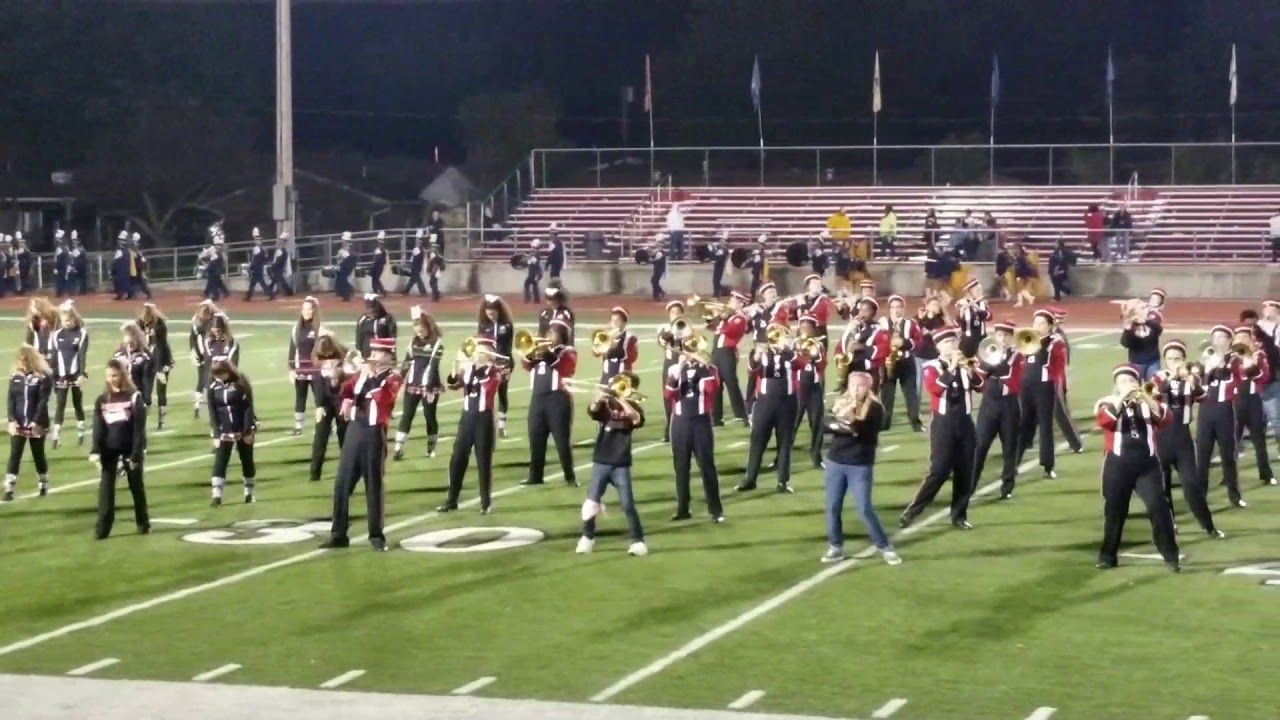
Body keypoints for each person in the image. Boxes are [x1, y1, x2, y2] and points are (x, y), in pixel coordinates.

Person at [1094, 364, 1181, 571]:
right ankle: (1108, 555)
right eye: (1122, 381)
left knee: (1158, 507)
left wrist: (1147, 398)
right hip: (1117, 465)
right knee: (1115, 511)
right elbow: (1104, 421)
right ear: (1116, 385)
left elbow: (1166, 420)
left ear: (1138, 383)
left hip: (1147, 465)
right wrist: (1122, 398)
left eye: (1131, 381)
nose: (1127, 384)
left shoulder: (1149, 402)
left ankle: (1171, 555)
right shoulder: (1107, 401)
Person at [320, 337, 402, 550]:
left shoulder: (393, 378)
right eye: (372, 352)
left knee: (373, 486)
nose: (372, 356)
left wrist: (371, 376)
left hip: (374, 434)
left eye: (377, 352)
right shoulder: (361, 375)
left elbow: (382, 398)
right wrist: (335, 380)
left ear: (389, 355)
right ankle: (338, 534)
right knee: (342, 484)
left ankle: (376, 536)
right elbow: (345, 390)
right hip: (354, 432)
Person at [900, 327, 979, 530]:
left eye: (953, 341)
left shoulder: (965, 364)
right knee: (939, 471)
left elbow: (981, 387)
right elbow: (935, 388)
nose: (951, 346)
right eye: (946, 343)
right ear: (938, 347)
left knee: (965, 471)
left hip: (965, 422)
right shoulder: (931, 366)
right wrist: (952, 367)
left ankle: (959, 515)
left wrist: (972, 371)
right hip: (944, 424)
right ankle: (913, 511)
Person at [820, 372, 901, 565]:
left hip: (860, 464)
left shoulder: (875, 408)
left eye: (860, 386)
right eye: (853, 385)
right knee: (832, 507)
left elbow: (864, 432)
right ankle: (835, 546)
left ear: (868, 387)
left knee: (864, 508)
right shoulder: (841, 402)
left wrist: (846, 421)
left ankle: (885, 547)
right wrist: (842, 422)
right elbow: (825, 425)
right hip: (836, 462)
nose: (856, 390)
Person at [1152, 340, 1223, 538]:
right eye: (1170, 358)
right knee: (1163, 486)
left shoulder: (1191, 378)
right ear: (1165, 360)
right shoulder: (1158, 376)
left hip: (1182, 437)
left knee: (1192, 485)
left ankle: (1208, 526)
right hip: (1160, 437)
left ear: (1184, 359)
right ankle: (1170, 524)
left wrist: (1194, 384)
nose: (1174, 362)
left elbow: (1203, 398)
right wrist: (1173, 377)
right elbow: (1156, 394)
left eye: (1177, 358)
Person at [576, 375, 648, 557]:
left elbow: (636, 419)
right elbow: (592, 410)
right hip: (601, 460)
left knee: (628, 505)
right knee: (591, 503)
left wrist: (622, 400)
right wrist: (598, 398)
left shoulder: (634, 406)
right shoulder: (606, 406)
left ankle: (638, 541)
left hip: (621, 463)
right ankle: (587, 538)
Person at [438, 337, 507, 514]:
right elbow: (453, 384)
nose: (475, 352)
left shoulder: (494, 371)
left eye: (480, 349)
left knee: (483, 461)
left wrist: (474, 368)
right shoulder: (470, 369)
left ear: (488, 353)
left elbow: (488, 388)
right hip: (467, 418)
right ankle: (451, 500)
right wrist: (455, 370)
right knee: (457, 459)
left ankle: (485, 503)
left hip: (483, 420)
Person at [664, 338, 725, 523]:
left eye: (695, 349)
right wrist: (679, 370)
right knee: (681, 467)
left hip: (701, 422)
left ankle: (715, 510)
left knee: (707, 466)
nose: (691, 352)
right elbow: (669, 393)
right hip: (680, 422)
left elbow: (712, 389)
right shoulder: (675, 369)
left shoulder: (710, 369)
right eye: (689, 348)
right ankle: (683, 508)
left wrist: (701, 366)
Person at [737, 325, 804, 494]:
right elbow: (752, 371)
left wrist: (786, 350)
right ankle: (750, 479)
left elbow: (801, 364)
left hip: (788, 402)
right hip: (765, 402)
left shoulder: (791, 352)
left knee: (785, 442)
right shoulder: (761, 352)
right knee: (757, 440)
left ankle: (782, 481)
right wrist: (757, 356)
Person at [89, 358, 149, 540]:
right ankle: (102, 528)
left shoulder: (134, 397)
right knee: (106, 489)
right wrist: (95, 450)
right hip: (109, 448)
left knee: (136, 487)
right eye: (108, 376)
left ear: (123, 375)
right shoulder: (102, 400)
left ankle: (143, 523)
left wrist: (136, 454)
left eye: (115, 375)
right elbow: (98, 427)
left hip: (130, 448)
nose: (111, 379)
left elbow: (139, 429)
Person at [1195, 324, 1251, 508]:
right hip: (1205, 410)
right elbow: (1199, 385)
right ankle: (1200, 496)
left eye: (1221, 337)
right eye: (1215, 337)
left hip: (1224, 410)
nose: (1217, 341)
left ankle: (1234, 496)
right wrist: (1203, 368)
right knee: (1203, 455)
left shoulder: (1235, 360)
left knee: (1228, 455)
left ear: (1229, 341)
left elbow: (1233, 379)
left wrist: (1219, 366)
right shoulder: (1207, 359)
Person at [521, 320, 578, 487]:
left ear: (563, 336)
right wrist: (530, 353)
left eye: (554, 333)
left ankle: (570, 477)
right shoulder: (539, 350)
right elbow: (526, 365)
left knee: (561, 440)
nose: (550, 336)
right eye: (549, 332)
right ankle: (535, 475)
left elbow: (566, 368)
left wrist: (547, 353)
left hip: (558, 399)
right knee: (536, 437)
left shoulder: (567, 351)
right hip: (538, 398)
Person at [973, 321, 1025, 499]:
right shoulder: (986, 353)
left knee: (1009, 447)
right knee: (980, 446)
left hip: (1009, 405)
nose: (1002, 339)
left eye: (1006, 336)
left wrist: (994, 369)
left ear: (1011, 338)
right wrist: (989, 367)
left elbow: (1013, 381)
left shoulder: (1017, 356)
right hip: (989, 404)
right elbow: (978, 380)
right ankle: (970, 485)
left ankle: (1007, 486)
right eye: (1000, 335)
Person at [1017, 309, 1068, 481]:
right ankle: (1013, 462)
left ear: (1050, 326)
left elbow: (1056, 367)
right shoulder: (1027, 339)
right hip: (1025, 388)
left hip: (1044, 388)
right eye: (1035, 322)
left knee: (1045, 427)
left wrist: (1039, 345)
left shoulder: (1056, 342)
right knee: (1023, 425)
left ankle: (1048, 465)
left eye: (1041, 323)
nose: (1037, 326)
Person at [3, 345, 54, 500]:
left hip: (37, 423)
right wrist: (11, 420)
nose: (21, 362)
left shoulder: (43, 378)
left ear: (31, 360)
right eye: (20, 359)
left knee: (38, 454)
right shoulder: (15, 377)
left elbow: (43, 401)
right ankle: (9, 489)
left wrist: (35, 421)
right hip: (19, 422)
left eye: (24, 359)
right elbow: (11, 400)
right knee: (15, 454)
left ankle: (43, 484)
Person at [393, 310, 444, 460]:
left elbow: (433, 366)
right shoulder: (413, 342)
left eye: (421, 329)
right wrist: (398, 380)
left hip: (429, 386)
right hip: (413, 384)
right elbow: (406, 363)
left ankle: (431, 447)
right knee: (407, 415)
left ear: (428, 327)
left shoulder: (437, 344)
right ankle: (398, 447)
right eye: (416, 329)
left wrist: (429, 387)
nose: (419, 332)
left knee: (429, 416)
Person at [206, 359, 258, 507]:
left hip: (242, 427)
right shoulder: (213, 387)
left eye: (220, 374)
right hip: (225, 430)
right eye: (216, 375)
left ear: (228, 372)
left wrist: (247, 430)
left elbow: (248, 407)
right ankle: (217, 495)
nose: (218, 377)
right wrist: (216, 433)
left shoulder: (240, 384)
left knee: (246, 460)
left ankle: (249, 492)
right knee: (220, 461)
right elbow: (212, 411)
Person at [1231, 325, 1275, 486]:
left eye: (1245, 338)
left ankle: (1266, 474)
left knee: (1259, 440)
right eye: (1239, 338)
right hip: (1235, 402)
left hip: (1253, 401)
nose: (1241, 341)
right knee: (1231, 441)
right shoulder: (1232, 358)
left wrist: (1251, 363)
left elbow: (1265, 377)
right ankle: (1229, 476)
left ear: (1251, 340)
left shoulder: (1259, 355)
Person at [309, 334, 354, 483]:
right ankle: (314, 474)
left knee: (344, 436)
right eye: (323, 355)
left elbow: (347, 385)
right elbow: (317, 384)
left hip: (341, 400)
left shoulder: (343, 359)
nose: (326, 357)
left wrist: (336, 377)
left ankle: (347, 470)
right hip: (325, 402)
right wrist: (319, 405)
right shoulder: (317, 360)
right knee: (320, 436)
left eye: (329, 354)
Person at [878, 295, 924, 432]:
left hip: (906, 361)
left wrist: (904, 343)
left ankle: (915, 422)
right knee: (887, 395)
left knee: (911, 394)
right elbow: (877, 341)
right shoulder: (882, 323)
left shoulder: (911, 323)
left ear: (903, 309)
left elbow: (919, 342)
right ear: (889, 309)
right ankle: (885, 423)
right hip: (888, 362)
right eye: (893, 307)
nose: (896, 310)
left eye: (898, 307)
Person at [50, 301, 90, 449]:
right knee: (60, 404)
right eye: (63, 321)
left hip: (75, 375)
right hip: (61, 376)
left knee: (77, 403)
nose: (66, 323)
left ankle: (81, 433)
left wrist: (82, 374)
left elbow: (82, 355)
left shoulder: (82, 333)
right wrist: (53, 377)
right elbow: (54, 357)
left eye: (68, 320)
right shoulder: (57, 335)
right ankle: (56, 435)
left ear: (74, 319)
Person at [707, 291, 751, 425]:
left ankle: (742, 415)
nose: (729, 303)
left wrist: (723, 318)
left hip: (727, 353)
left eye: (733, 301)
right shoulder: (727, 317)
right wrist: (715, 317)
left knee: (731, 384)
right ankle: (716, 418)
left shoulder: (739, 318)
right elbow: (710, 326)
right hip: (716, 352)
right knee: (715, 385)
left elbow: (729, 331)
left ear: (741, 304)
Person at [476, 295, 515, 437]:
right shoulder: (483, 325)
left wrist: (506, 364)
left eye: (493, 309)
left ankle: (501, 425)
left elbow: (507, 347)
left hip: (503, 363)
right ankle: (486, 423)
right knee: (486, 392)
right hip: (487, 364)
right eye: (488, 309)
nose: (490, 312)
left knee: (502, 392)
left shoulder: (507, 326)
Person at [794, 316, 828, 469]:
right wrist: (799, 353)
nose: (805, 331)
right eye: (802, 327)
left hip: (813, 388)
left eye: (808, 328)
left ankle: (816, 457)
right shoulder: (793, 344)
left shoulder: (818, 345)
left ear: (814, 330)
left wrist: (815, 355)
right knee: (791, 424)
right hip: (797, 387)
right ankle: (781, 458)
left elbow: (822, 366)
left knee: (817, 423)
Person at [194, 313, 241, 420]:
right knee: (214, 406)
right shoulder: (208, 342)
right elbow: (208, 362)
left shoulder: (231, 343)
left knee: (234, 402)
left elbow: (233, 363)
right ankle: (216, 425)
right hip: (214, 378)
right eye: (214, 331)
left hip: (228, 377)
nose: (217, 334)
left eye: (219, 331)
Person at [287, 297, 322, 435]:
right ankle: (298, 427)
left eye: (309, 309)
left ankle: (325, 426)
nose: (306, 312)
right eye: (304, 309)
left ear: (314, 310)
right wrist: (291, 369)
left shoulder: (320, 328)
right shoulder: (296, 328)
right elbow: (292, 349)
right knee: (300, 397)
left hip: (316, 369)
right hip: (301, 368)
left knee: (319, 399)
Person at [136, 303, 172, 429]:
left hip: (162, 359)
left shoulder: (160, 326)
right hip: (148, 359)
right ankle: (144, 416)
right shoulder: (140, 324)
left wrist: (159, 368)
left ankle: (161, 419)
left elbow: (160, 347)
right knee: (146, 389)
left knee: (161, 390)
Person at [188, 301, 219, 417]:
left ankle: (197, 406)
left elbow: (192, 338)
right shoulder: (212, 321)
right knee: (213, 380)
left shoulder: (196, 320)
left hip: (199, 353)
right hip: (209, 354)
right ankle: (213, 403)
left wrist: (193, 351)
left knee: (201, 380)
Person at [113, 324, 155, 407]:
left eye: (131, 343)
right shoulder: (119, 354)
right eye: (127, 343)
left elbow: (147, 380)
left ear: (137, 340)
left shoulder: (145, 357)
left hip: (136, 397)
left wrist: (146, 400)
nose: (129, 346)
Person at [595, 307, 639, 384]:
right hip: (606, 376)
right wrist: (602, 346)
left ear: (624, 323)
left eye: (617, 321)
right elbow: (596, 353)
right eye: (612, 321)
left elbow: (631, 358)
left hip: (622, 377)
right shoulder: (607, 336)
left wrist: (615, 348)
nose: (614, 323)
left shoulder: (630, 338)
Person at [955, 280, 990, 358]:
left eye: (980, 290)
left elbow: (988, 317)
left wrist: (976, 307)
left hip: (981, 337)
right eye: (977, 290)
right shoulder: (962, 304)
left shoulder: (983, 303)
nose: (980, 292)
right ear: (970, 293)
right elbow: (957, 324)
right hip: (968, 340)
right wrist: (962, 313)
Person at [25, 297, 58, 367]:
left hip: (49, 352)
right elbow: (29, 340)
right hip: (37, 353)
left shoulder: (51, 319)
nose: (31, 308)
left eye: (33, 306)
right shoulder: (32, 322)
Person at [245, 232, 272, 301]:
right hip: (260, 267)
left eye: (257, 240)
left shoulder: (257, 248)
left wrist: (250, 267)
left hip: (257, 268)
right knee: (255, 283)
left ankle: (270, 294)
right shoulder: (262, 249)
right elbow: (264, 258)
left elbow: (255, 260)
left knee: (259, 283)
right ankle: (249, 296)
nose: (256, 241)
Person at [403, 231, 427, 296]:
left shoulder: (420, 249)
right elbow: (413, 258)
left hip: (417, 266)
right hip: (415, 265)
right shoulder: (417, 249)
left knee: (417, 279)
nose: (416, 241)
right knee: (413, 279)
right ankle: (406, 290)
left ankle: (423, 292)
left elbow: (418, 259)